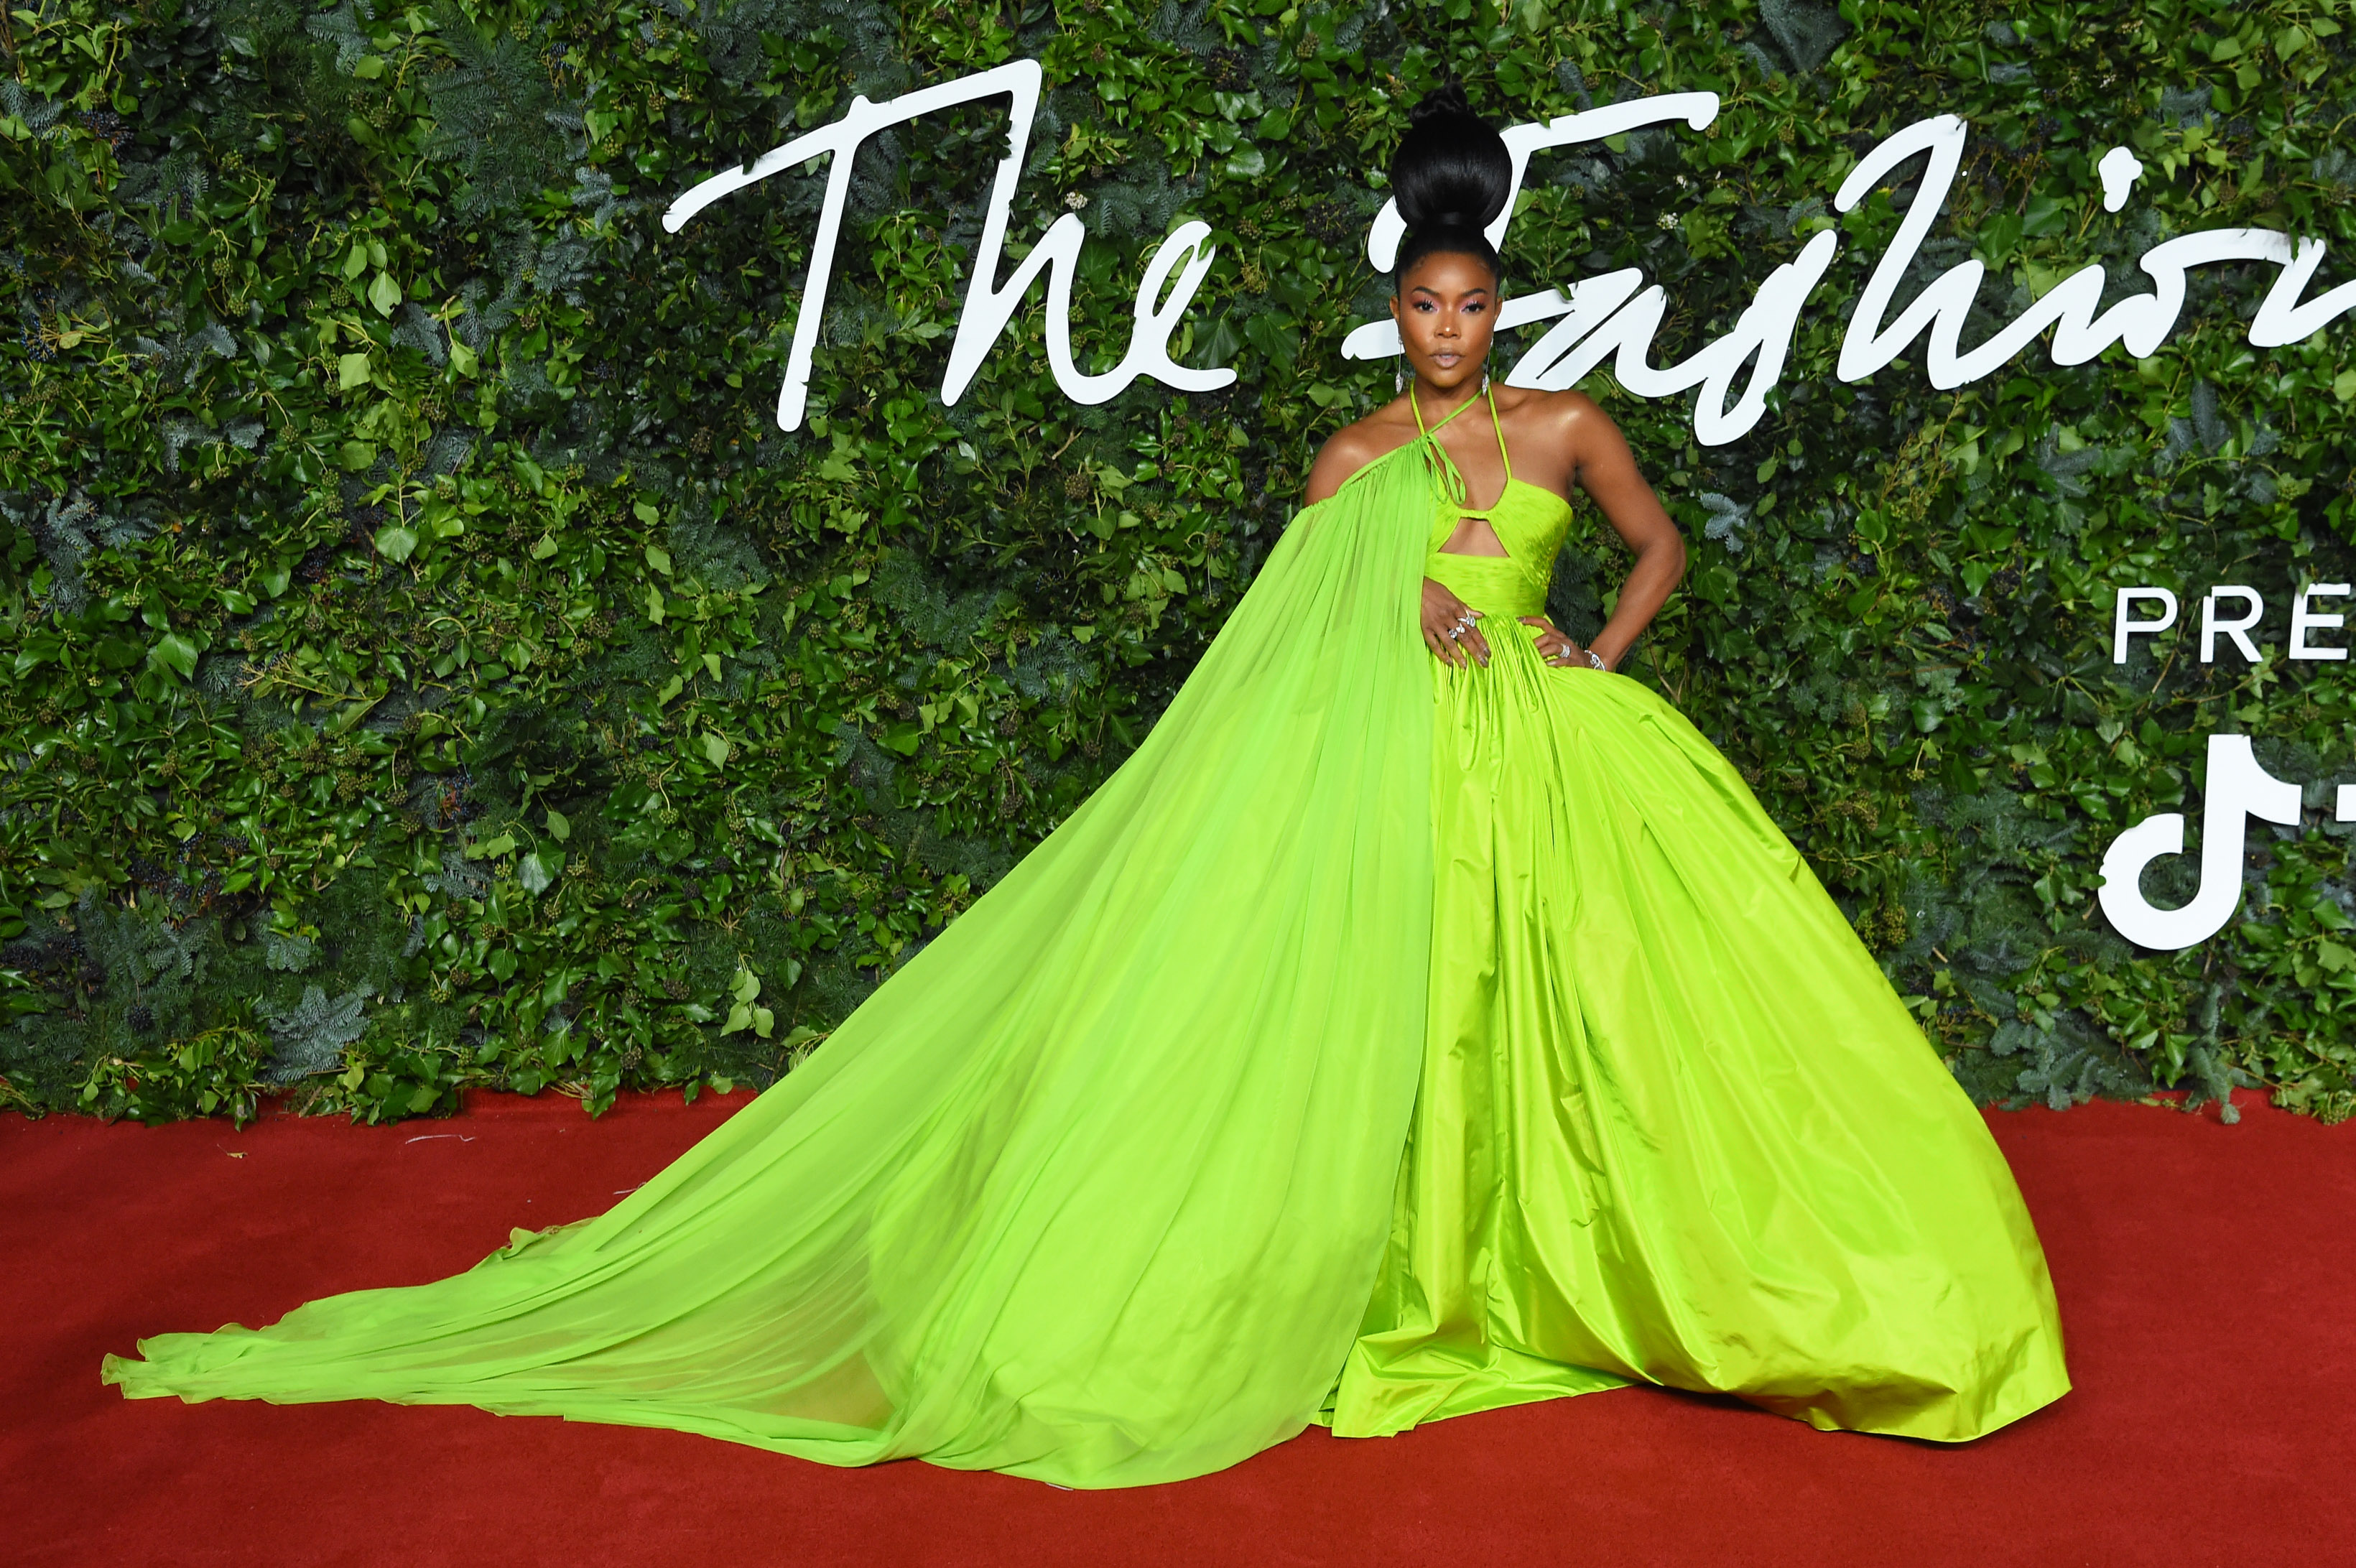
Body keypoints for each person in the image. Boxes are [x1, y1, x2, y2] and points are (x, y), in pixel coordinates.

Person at [103, 85, 2067, 1488]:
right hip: (1386, 793)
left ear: (1508, 303)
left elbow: (1662, 558)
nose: (1445, 331)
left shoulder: (1567, 431)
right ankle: (1368, 1274)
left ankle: (1616, 1278)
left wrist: (1587, 655)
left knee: (1599, 1040)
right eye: (1419, 304)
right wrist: (1382, 681)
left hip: (1556, 774)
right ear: (1394, 307)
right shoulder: (1343, 459)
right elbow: (1307, 655)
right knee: (1385, 1035)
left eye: (1469, 302)